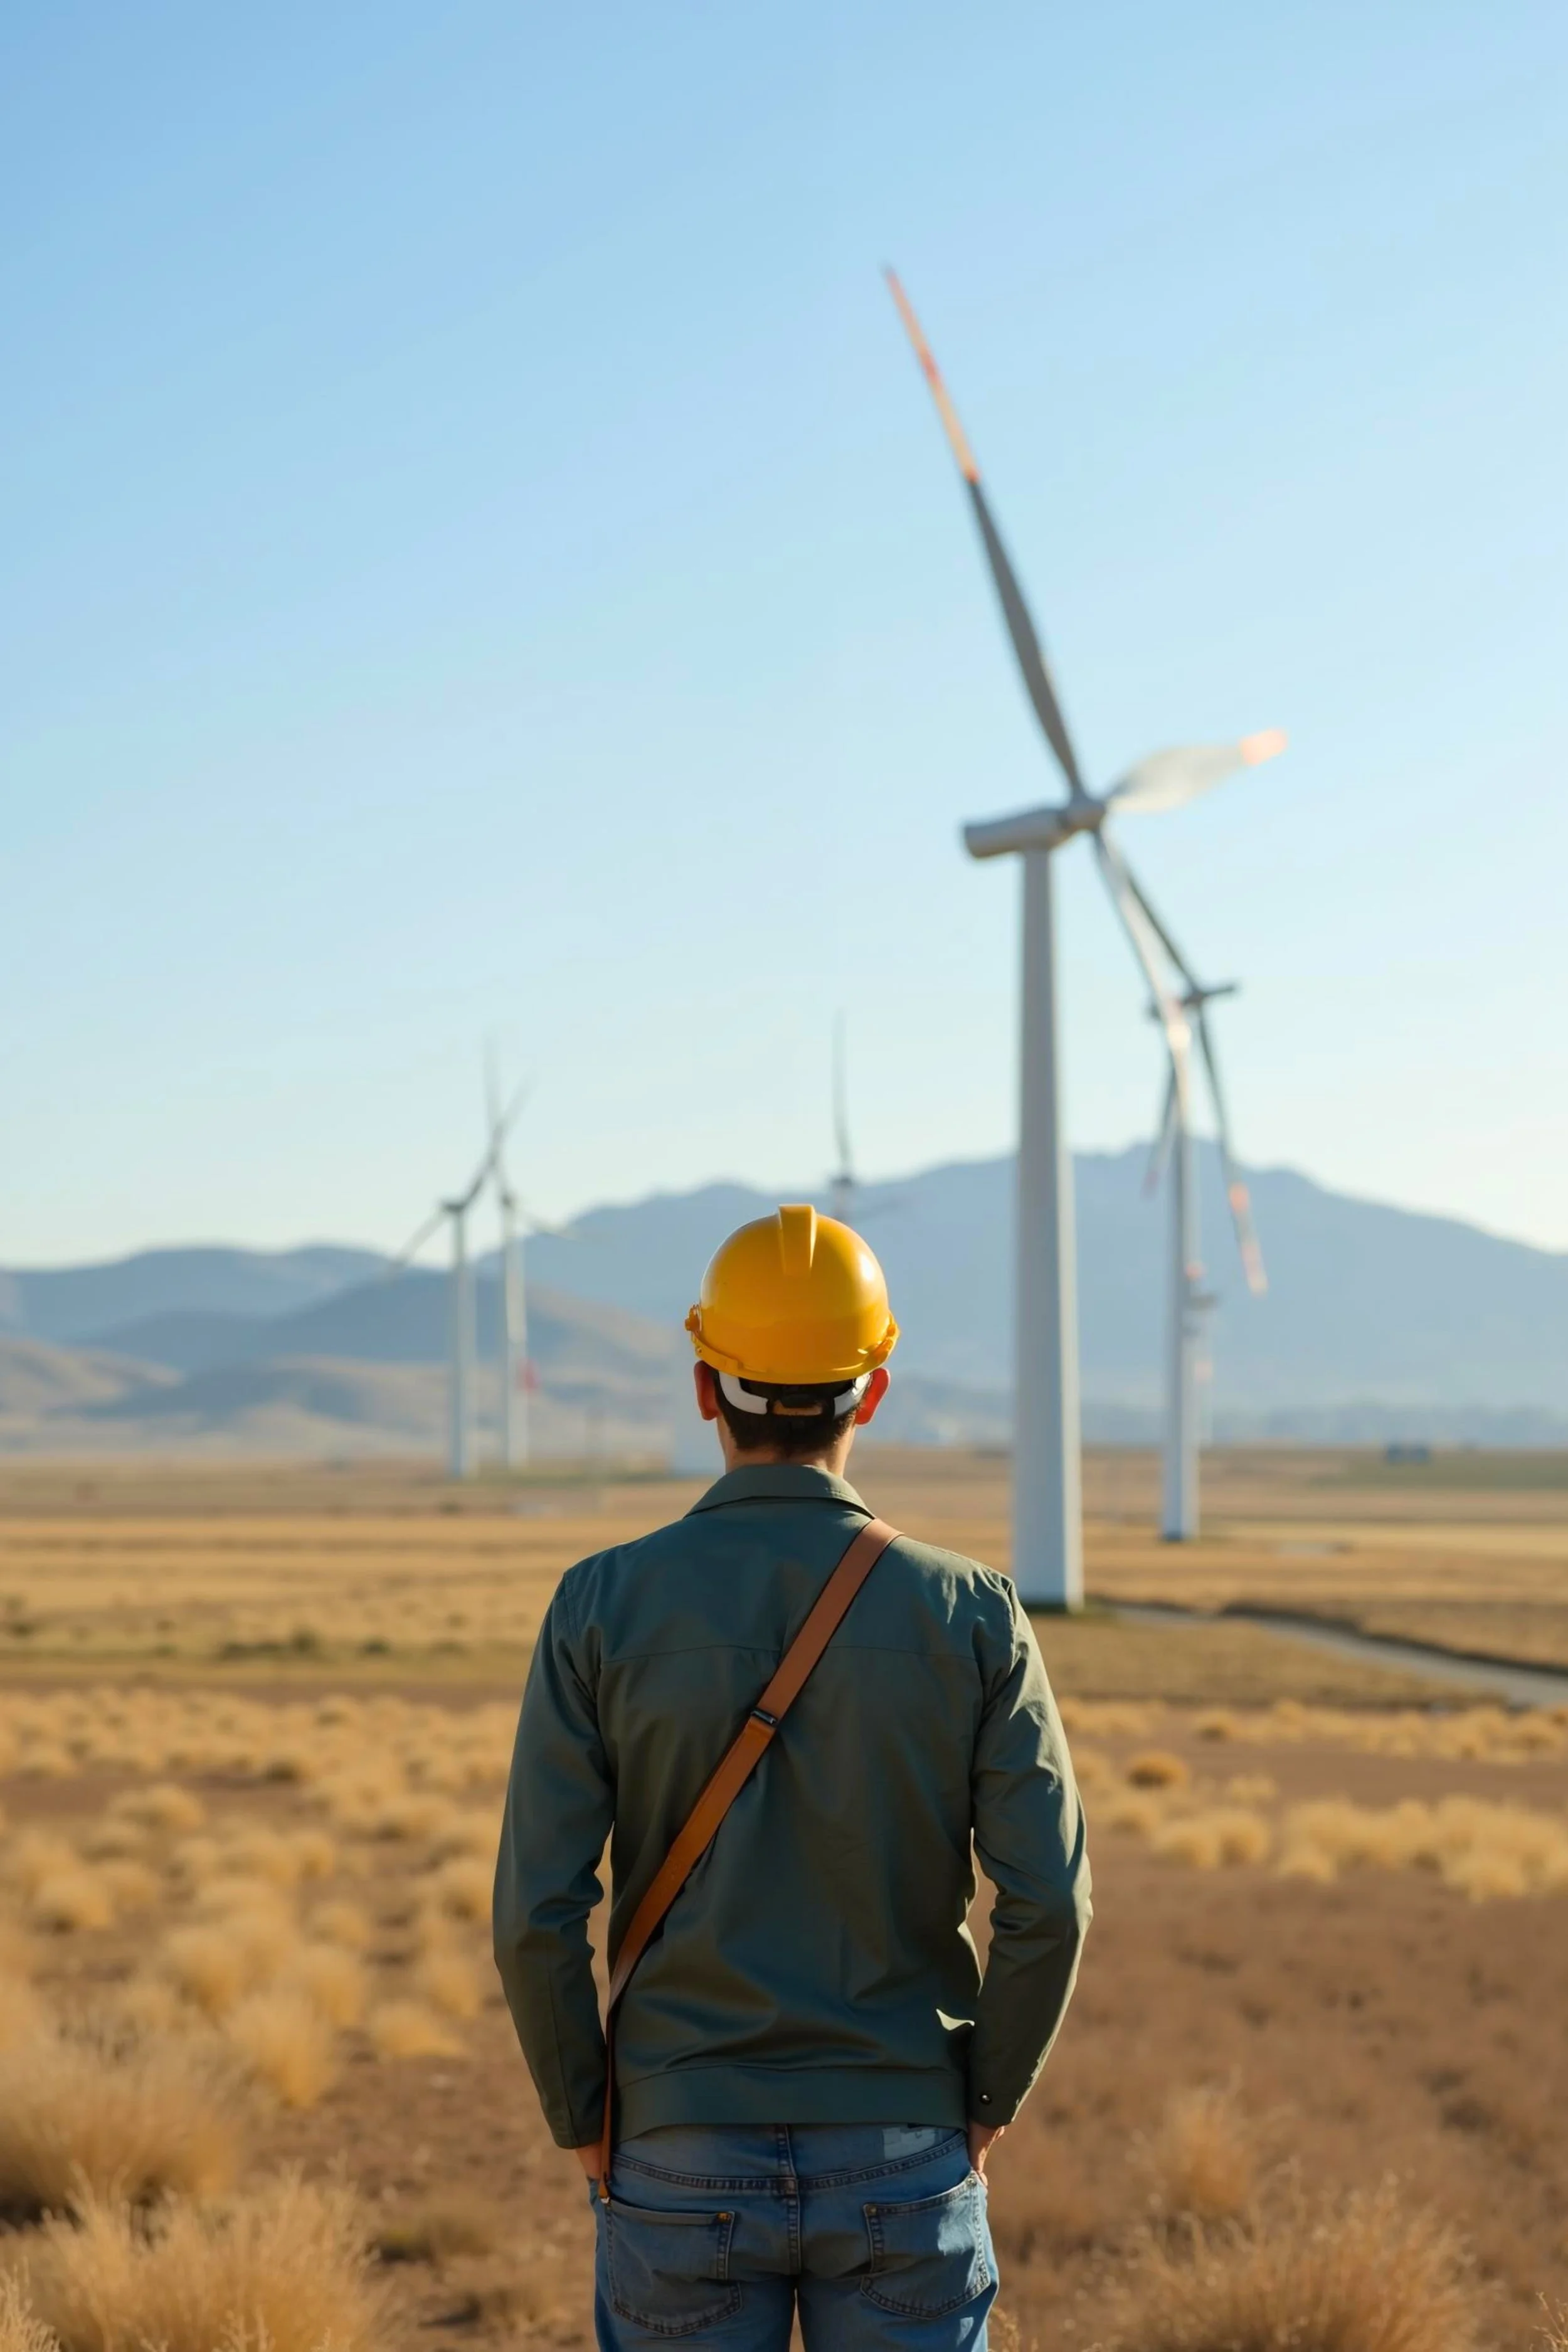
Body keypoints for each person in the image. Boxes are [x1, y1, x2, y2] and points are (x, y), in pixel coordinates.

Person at [494, 1204, 1090, 2350]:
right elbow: (1051, 1902)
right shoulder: (974, 1613)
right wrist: (983, 2101)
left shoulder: (598, 1604)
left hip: (676, 2139)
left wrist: (585, 2115)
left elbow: (536, 1911)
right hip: (904, 2139)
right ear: (874, 1390)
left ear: (705, 1386)